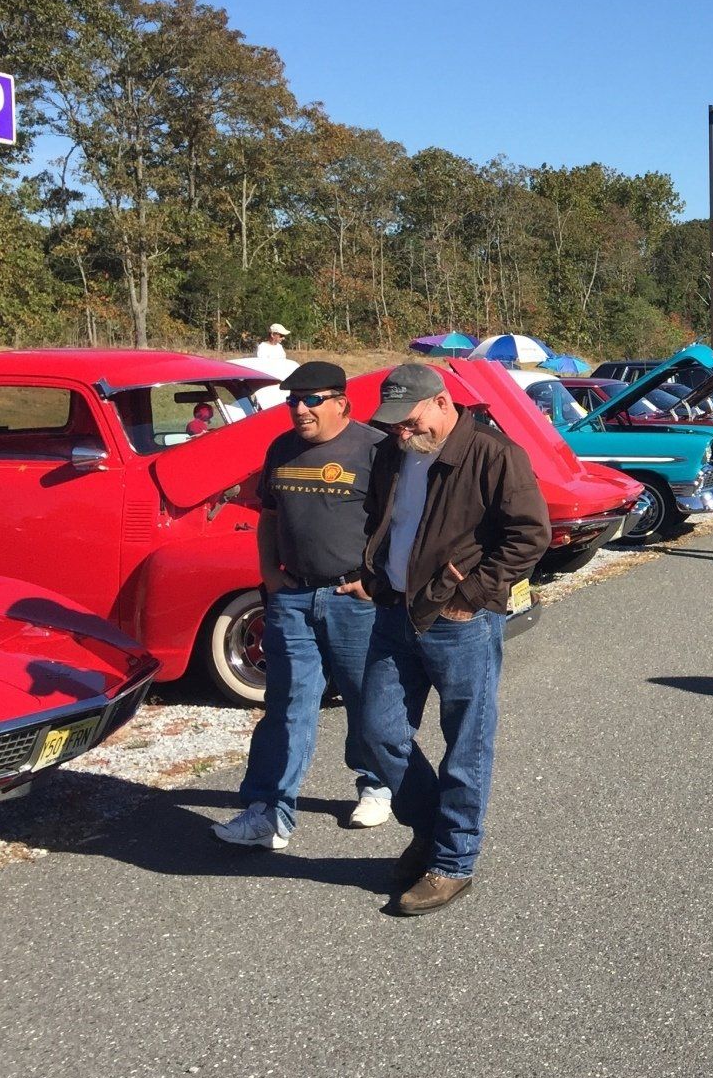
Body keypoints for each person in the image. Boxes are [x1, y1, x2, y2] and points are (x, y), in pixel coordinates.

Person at [356, 362, 550, 916]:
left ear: (442, 402)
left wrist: (475, 595)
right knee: (377, 731)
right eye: (392, 421)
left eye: (409, 418)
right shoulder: (395, 451)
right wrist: (372, 570)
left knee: (467, 742)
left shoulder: (493, 453)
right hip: (395, 612)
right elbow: (381, 516)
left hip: (459, 620)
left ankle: (453, 862)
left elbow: (530, 534)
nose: (399, 429)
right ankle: (432, 827)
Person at [212, 362, 387, 850]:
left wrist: (374, 580)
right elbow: (268, 517)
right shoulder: (281, 449)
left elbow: (398, 523)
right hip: (291, 598)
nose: (299, 409)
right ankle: (268, 812)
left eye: (311, 399)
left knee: (366, 697)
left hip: (353, 600)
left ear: (341, 403)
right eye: (293, 400)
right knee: (287, 705)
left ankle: (376, 784)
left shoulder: (374, 449)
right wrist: (271, 574)